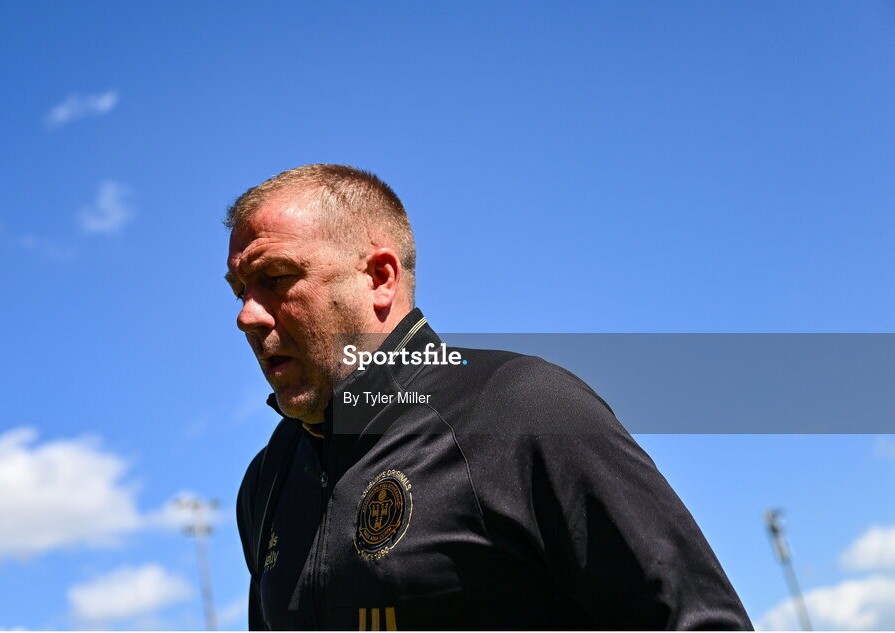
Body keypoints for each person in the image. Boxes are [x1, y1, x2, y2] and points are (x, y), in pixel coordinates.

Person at [226, 164, 752, 630]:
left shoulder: (521, 408)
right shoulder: (267, 481)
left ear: (380, 279)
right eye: (239, 290)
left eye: (276, 277)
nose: (247, 316)